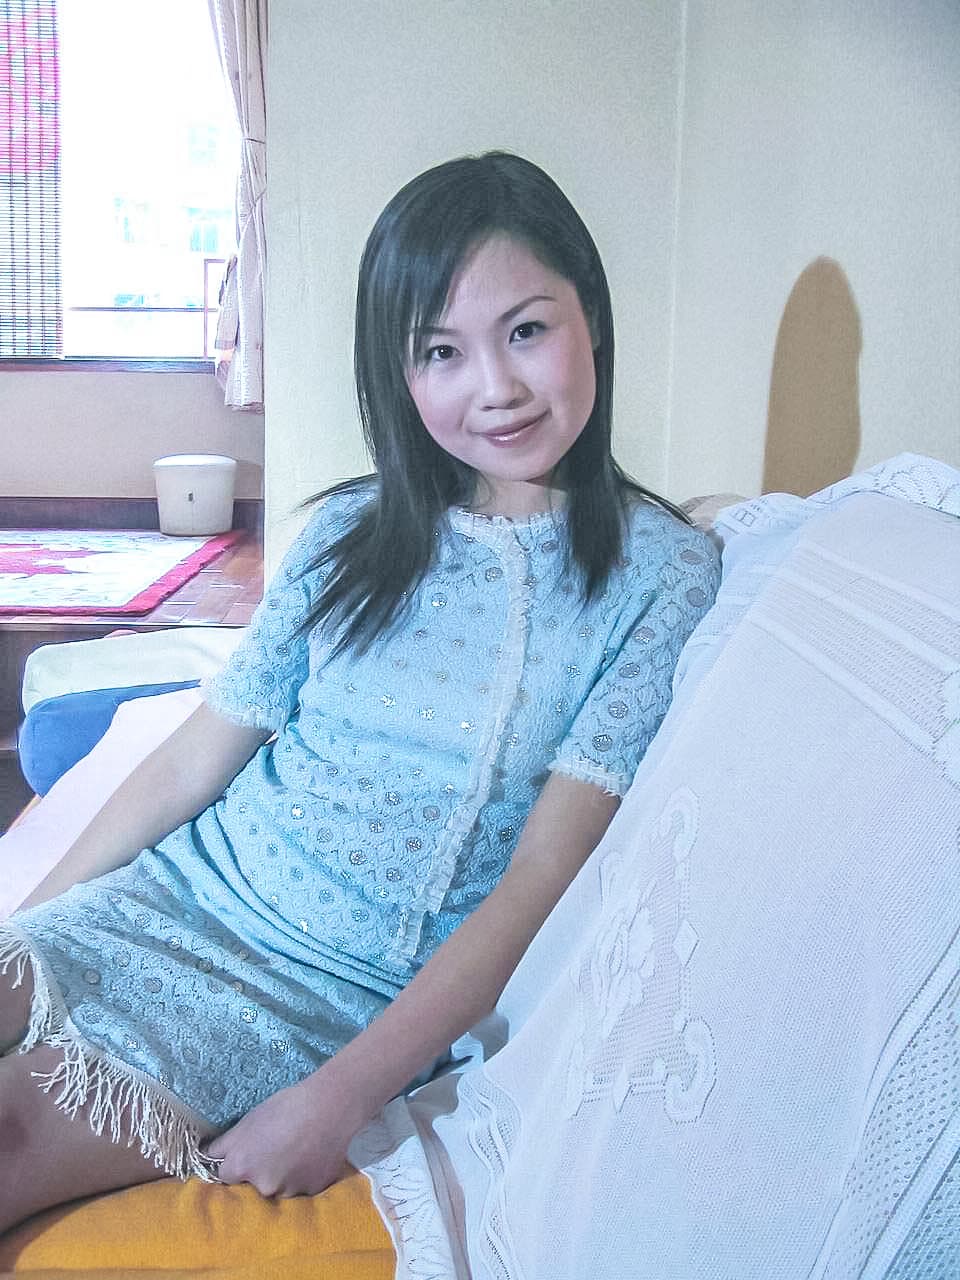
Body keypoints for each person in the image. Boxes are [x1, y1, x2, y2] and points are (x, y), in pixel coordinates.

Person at [0, 151, 720, 1232]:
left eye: (527, 328)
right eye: (442, 350)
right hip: (180, 891)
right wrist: (31, 921)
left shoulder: (659, 572)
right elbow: (202, 750)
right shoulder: (349, 529)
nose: (498, 386)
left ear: (593, 321)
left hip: (312, 992)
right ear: (400, 369)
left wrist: (338, 1096)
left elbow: (539, 876)